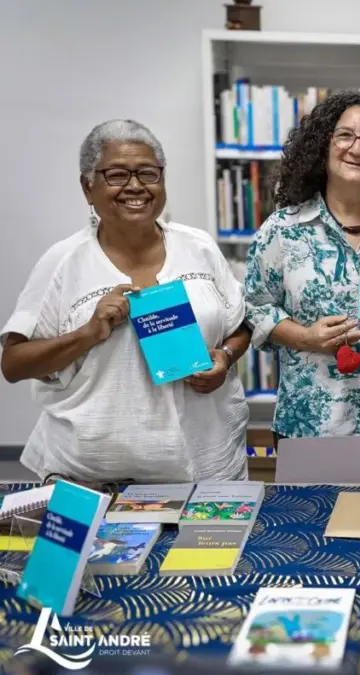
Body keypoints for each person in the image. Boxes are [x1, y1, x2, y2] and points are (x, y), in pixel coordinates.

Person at [0, 119, 251, 483]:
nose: (135, 186)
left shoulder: (199, 247)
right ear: (88, 187)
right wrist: (88, 333)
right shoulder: (63, 262)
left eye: (148, 173)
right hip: (93, 476)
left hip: (207, 466)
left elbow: (239, 325)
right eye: (117, 175)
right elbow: (13, 364)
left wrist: (225, 357)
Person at [244, 91, 360, 443]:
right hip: (311, 422)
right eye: (345, 135)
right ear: (322, 147)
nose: (357, 148)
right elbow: (256, 308)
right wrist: (306, 338)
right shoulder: (283, 230)